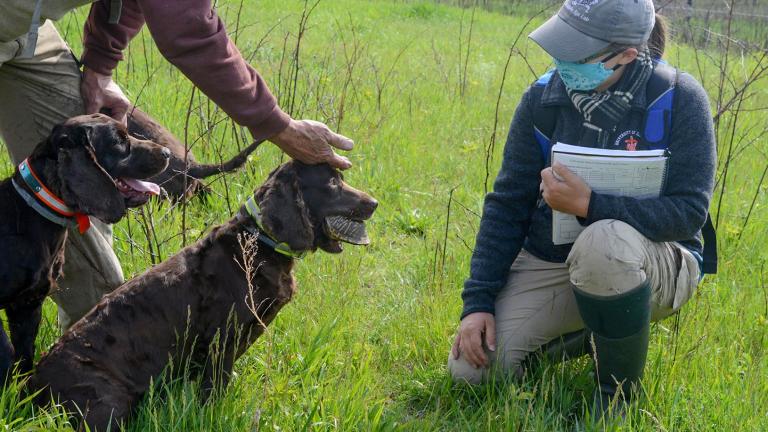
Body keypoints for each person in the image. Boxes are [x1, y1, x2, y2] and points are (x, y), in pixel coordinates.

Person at [0, 0, 353, 330]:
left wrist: (99, 65)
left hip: (27, 29)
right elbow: (189, 30)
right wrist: (282, 128)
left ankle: (85, 363)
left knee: (83, 168)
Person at [448, 0, 717, 417]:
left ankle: (617, 399)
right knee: (472, 371)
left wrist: (590, 205)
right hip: (554, 258)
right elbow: (507, 204)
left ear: (627, 55)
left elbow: (688, 213)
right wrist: (478, 302)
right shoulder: (542, 100)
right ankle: (605, 331)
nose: (562, 62)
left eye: (577, 53)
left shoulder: (680, 99)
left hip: (656, 261)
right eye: (560, 46)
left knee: (603, 241)